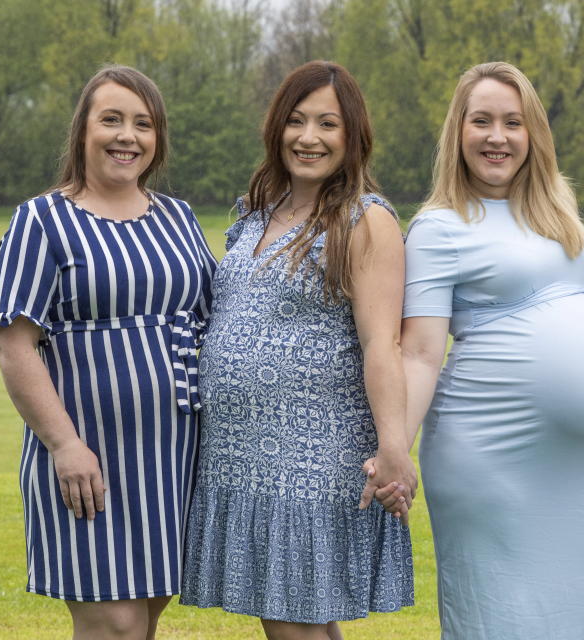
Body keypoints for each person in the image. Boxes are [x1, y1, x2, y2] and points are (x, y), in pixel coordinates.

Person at [0, 65, 217, 639]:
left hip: (175, 456)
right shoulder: (41, 221)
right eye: (110, 120)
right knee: (114, 625)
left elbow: (215, 322)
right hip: (88, 458)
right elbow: (13, 346)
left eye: (143, 124)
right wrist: (64, 445)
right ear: (82, 131)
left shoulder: (178, 218)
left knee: (146, 615)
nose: (126, 136)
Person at [180, 61, 414, 640]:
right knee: (292, 618)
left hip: (310, 453)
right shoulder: (253, 216)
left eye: (327, 124)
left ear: (352, 135)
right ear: (276, 129)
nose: (308, 137)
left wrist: (394, 448)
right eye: (296, 120)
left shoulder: (365, 218)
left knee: (293, 620)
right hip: (241, 452)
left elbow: (381, 343)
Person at [393, 61, 584, 639]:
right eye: (482, 121)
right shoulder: (437, 228)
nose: (497, 137)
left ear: (533, 134)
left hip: (576, 469)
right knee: (500, 622)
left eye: (512, 123)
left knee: (575, 622)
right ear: (459, 132)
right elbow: (420, 353)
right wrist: (395, 445)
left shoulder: (556, 213)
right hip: (490, 454)